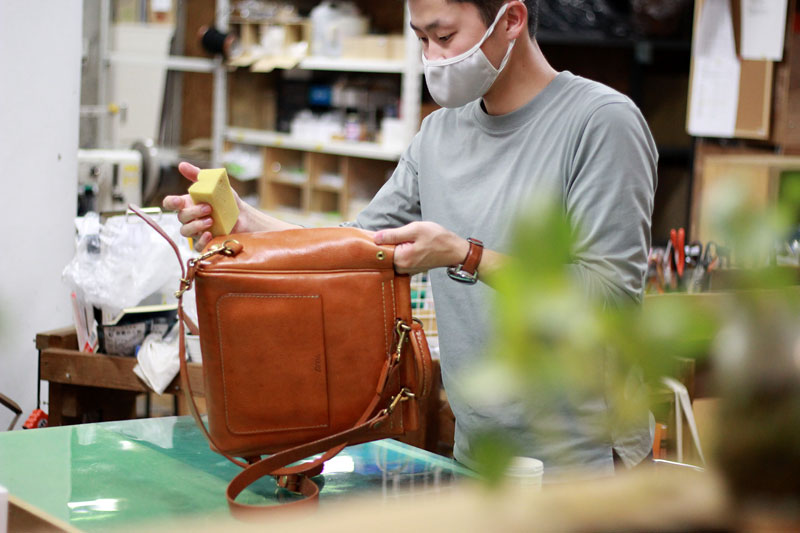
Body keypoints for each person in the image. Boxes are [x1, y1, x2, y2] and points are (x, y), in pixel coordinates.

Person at [164, 0, 657, 479]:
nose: (433, 58)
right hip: (479, 455)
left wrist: (465, 255)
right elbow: (359, 246)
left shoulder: (600, 123)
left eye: (444, 37)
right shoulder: (439, 134)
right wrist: (249, 224)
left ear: (511, 20)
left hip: (586, 465)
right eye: (421, 39)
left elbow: (610, 298)